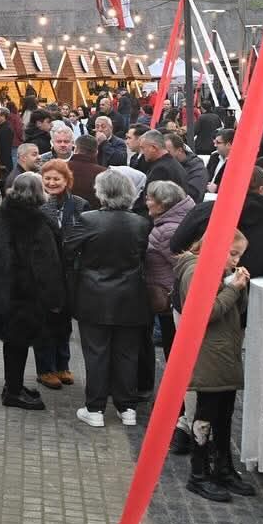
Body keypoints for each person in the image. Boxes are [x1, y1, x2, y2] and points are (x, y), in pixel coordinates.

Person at [174, 229, 255, 503]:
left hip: (222, 352)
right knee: (207, 414)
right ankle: (199, 474)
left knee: (223, 413)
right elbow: (204, 312)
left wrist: (236, 286)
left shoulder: (215, 269)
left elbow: (232, 309)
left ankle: (222, 468)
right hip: (209, 354)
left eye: (239, 255)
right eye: (232, 254)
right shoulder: (196, 270)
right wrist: (234, 288)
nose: (235, 260)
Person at [65, 170, 150, 427]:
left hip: (94, 295)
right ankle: (127, 409)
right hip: (131, 295)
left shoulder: (87, 219)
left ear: (100, 192)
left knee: (96, 352)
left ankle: (96, 408)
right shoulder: (141, 223)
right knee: (127, 353)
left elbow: (68, 250)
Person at [0, 174, 65, 410]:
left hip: (2, 290)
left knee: (12, 341)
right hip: (26, 294)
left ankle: (13, 385)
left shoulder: (0, 214)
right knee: (19, 342)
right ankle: (14, 391)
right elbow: (47, 265)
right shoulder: (37, 222)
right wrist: (55, 299)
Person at [170, 167, 263, 280]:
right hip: (248, 291)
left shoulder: (205, 210)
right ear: (262, 189)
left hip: (200, 284)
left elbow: (176, 244)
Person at [143, 180, 195, 425]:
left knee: (174, 354)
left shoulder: (168, 230)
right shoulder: (175, 222)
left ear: (164, 204)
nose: (147, 202)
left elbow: (182, 265)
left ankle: (176, 406)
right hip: (168, 297)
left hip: (169, 299)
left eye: (150, 198)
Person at [35, 159, 86, 389]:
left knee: (64, 321)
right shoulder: (37, 207)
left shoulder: (79, 205)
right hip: (45, 274)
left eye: (57, 179)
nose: (52, 183)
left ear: (67, 181)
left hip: (70, 272)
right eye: (48, 179)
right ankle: (45, 369)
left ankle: (62, 364)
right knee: (45, 321)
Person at [131, 130, 192, 214]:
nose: (142, 152)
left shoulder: (161, 169)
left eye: (143, 148)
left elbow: (150, 201)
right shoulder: (171, 163)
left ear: (153, 148)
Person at [164, 133, 208, 205]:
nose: (164, 155)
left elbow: (192, 194)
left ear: (180, 150)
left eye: (168, 152)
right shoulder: (165, 164)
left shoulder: (197, 168)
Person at [68, 135, 106, 209]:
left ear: (75, 149)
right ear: (96, 152)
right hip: (94, 217)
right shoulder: (104, 173)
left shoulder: (62, 168)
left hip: (65, 216)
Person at [205, 129, 233, 193]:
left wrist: (217, 188)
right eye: (214, 142)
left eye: (218, 142)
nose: (215, 145)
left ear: (228, 145)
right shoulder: (214, 157)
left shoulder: (237, 162)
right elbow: (206, 175)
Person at [0, 109, 15, 182]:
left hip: (4, 163)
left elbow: (5, 147)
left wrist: (2, 163)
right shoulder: (0, 126)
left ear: (3, 116)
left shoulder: (7, 129)